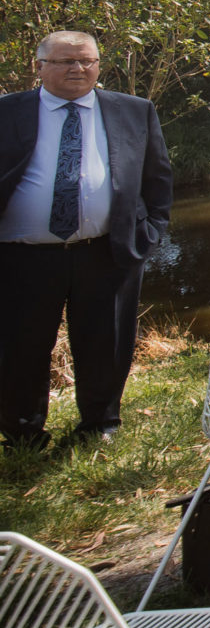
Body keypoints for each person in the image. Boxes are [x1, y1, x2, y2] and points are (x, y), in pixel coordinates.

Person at [0, 31, 173, 450]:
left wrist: (148, 234)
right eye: (64, 62)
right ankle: (23, 433)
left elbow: (158, 178)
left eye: (87, 61)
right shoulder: (7, 112)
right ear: (39, 67)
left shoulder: (134, 110)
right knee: (20, 345)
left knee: (106, 343)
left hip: (106, 253)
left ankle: (100, 425)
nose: (78, 69)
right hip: (22, 256)